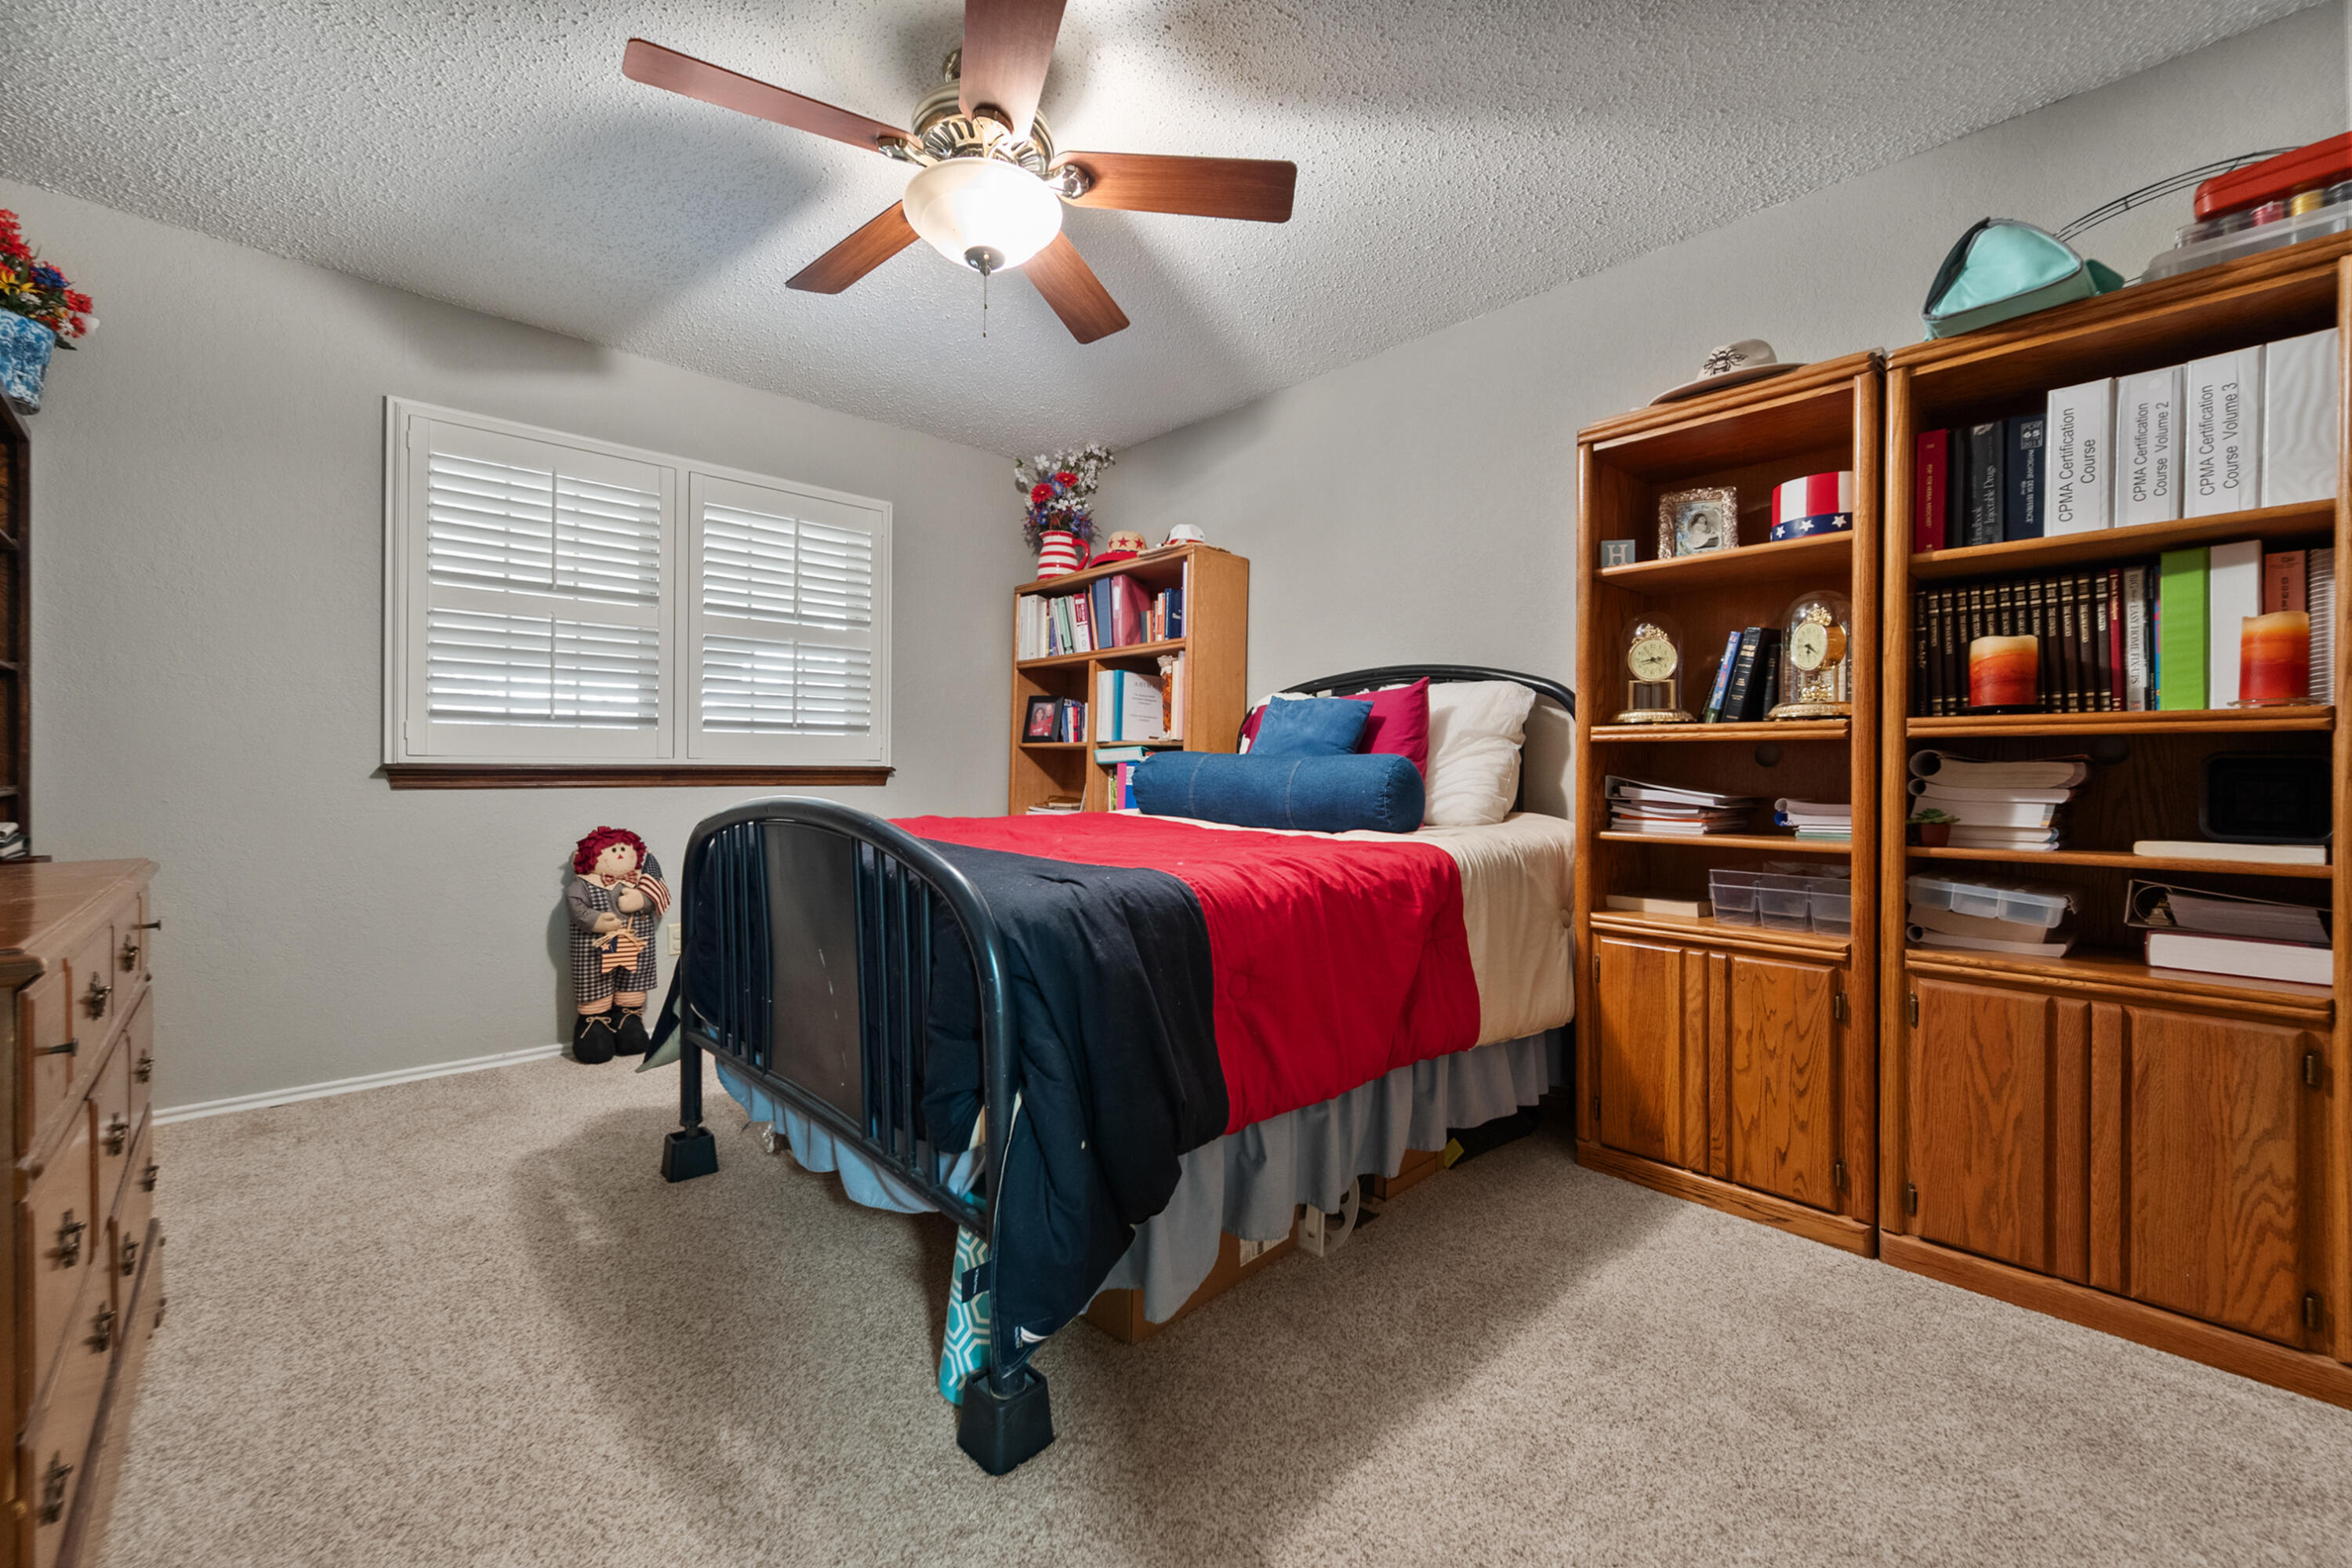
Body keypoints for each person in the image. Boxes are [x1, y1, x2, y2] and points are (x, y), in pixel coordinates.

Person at [566, 826, 670, 1064]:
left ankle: (628, 1020)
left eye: (624, 848)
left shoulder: (637, 882)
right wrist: (598, 920)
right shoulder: (583, 884)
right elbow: (577, 909)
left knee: (632, 983)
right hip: (595, 950)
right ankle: (594, 1025)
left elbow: (653, 902)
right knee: (594, 983)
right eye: (613, 849)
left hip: (635, 948)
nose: (620, 853)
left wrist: (642, 900)